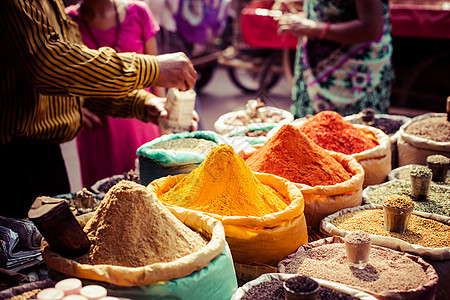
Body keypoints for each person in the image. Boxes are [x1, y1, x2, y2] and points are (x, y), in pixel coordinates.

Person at [0, 0, 198, 219]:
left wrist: (142, 103)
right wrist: (152, 68)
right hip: (14, 160)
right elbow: (48, 64)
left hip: (46, 156)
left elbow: (78, 85)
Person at [65, 0, 167, 188]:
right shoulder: (67, 21)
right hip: (99, 130)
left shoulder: (138, 12)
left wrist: (165, 121)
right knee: (105, 198)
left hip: (143, 117)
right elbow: (59, 75)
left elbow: (157, 76)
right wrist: (72, 107)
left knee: (153, 192)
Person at [276, 0, 394, 118]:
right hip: (313, 73)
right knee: (308, 130)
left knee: (356, 131)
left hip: (355, 76)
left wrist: (313, 28)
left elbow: (370, 28)